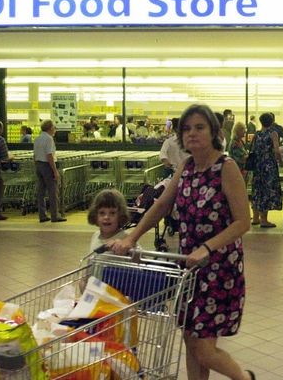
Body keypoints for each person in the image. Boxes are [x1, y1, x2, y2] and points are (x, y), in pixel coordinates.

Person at [109, 104, 255, 380]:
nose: (192, 134)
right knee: (191, 340)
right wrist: (132, 236)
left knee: (203, 349)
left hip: (219, 269)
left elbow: (243, 221)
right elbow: (163, 204)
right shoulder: (187, 166)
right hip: (188, 267)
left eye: (199, 127)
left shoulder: (227, 168)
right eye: (186, 129)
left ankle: (245, 377)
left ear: (214, 132)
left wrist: (207, 247)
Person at [250, 112, 283, 228]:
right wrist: (281, 161)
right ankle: (264, 220)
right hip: (268, 166)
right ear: (272, 122)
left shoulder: (257, 134)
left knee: (258, 190)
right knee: (267, 191)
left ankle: (255, 218)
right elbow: (276, 150)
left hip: (258, 166)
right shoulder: (273, 133)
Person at [34, 119, 66, 223]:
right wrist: (55, 171)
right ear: (51, 128)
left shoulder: (38, 138)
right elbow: (49, 156)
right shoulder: (49, 139)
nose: (55, 130)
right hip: (47, 166)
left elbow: (34, 155)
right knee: (53, 191)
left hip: (39, 164)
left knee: (41, 192)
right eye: (54, 128)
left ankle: (42, 215)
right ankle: (55, 215)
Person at [87, 188, 131, 253]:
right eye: (102, 213)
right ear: (95, 215)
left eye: (112, 213)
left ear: (120, 215)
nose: (106, 217)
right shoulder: (96, 235)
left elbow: (142, 260)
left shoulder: (126, 239)